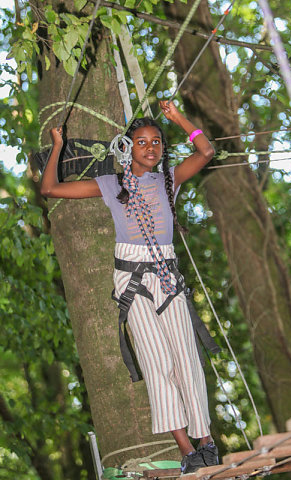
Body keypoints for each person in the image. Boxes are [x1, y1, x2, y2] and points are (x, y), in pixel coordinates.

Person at [41, 100, 219, 474]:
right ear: (127, 147)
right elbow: (51, 189)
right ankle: (186, 449)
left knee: (187, 359)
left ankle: (207, 442)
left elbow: (207, 151)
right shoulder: (110, 184)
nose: (151, 148)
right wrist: (58, 145)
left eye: (157, 142)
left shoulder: (170, 178)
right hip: (133, 280)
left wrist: (177, 118)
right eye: (142, 142)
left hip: (167, 275)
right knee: (158, 363)